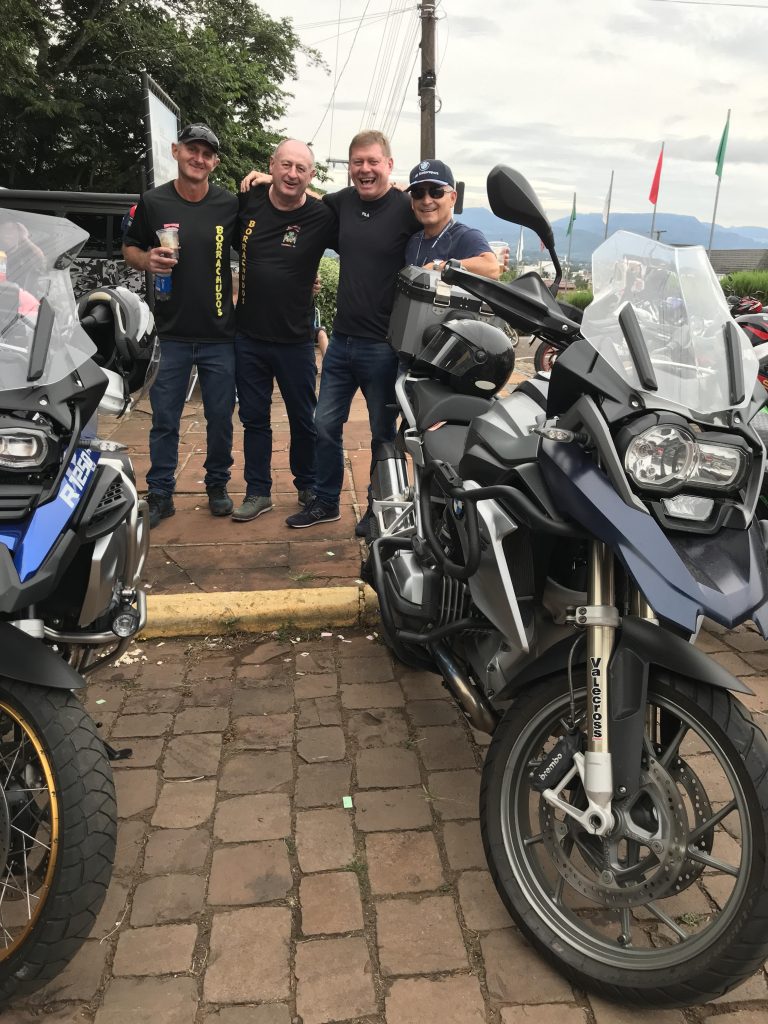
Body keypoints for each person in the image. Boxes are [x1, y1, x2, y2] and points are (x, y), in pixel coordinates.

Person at [123, 123, 238, 528]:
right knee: (164, 420)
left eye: (207, 154)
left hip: (220, 334)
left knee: (220, 418)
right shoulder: (153, 201)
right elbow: (130, 247)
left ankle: (217, 485)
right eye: (192, 150)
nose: (198, 159)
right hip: (170, 333)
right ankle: (160, 494)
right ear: (176, 151)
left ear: (215, 162)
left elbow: (260, 236)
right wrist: (146, 260)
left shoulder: (229, 204)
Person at [232, 140, 337, 522]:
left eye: (301, 169)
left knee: (304, 418)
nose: (292, 174)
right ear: (271, 165)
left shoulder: (321, 215)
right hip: (249, 336)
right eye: (286, 165)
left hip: (295, 340)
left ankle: (308, 484)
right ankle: (258, 491)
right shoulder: (248, 202)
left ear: (311, 176)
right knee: (254, 419)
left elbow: (356, 212)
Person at [403, 159, 500, 279]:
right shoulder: (414, 241)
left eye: (436, 192)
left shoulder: (465, 236)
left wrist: (437, 267)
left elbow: (492, 268)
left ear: (453, 198)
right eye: (418, 193)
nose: (426, 201)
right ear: (412, 202)